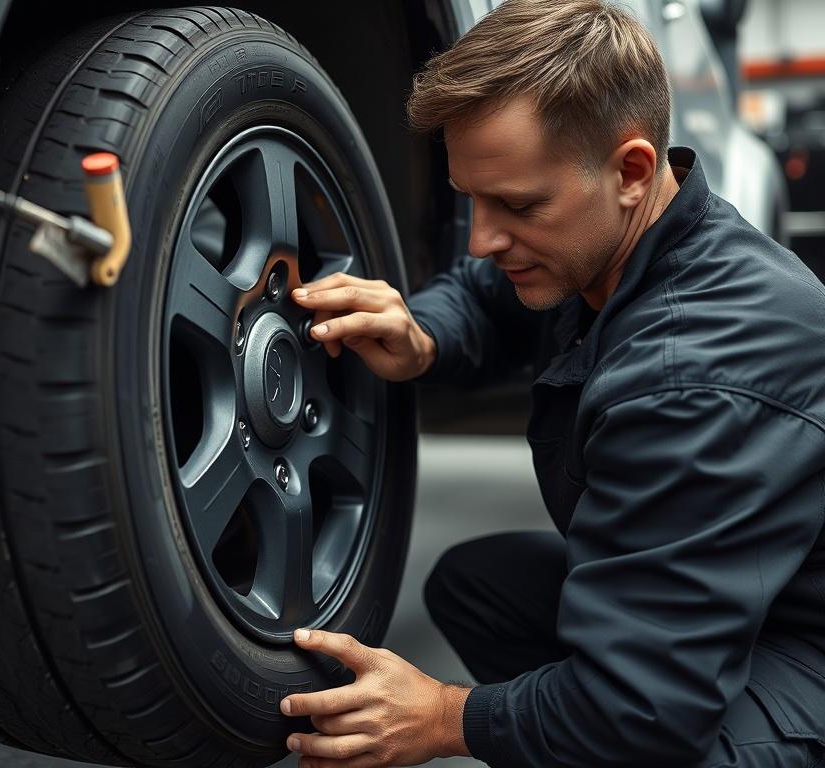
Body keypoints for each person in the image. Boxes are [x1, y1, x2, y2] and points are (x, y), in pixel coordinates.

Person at [276, 1, 825, 766]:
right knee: (478, 587)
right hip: (755, 589)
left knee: (651, 735)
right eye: (472, 199)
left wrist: (444, 718)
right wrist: (421, 332)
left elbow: (638, 712)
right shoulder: (612, 240)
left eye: (517, 205)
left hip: (808, 645)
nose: (485, 236)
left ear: (631, 170)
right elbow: (482, 291)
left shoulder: (691, 377)